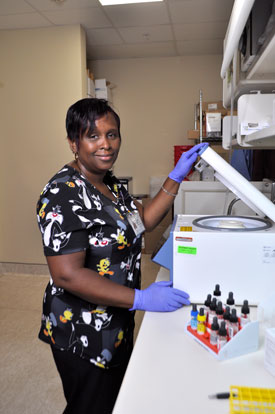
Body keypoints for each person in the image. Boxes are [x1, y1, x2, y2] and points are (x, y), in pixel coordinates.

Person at [36, 98, 207, 414]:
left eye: (112, 134)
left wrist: (176, 176)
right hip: (82, 330)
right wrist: (141, 299)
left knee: (113, 400)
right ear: (74, 143)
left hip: (116, 318)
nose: (106, 144)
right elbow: (66, 274)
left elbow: (143, 220)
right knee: (89, 406)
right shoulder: (62, 193)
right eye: (93, 136)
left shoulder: (110, 184)